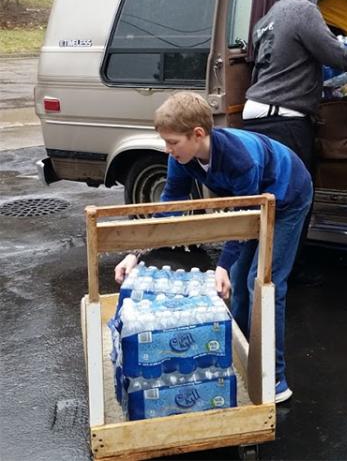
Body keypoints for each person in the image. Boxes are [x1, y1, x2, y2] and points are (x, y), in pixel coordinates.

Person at [114, 91, 312, 404]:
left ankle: (274, 376)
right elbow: (171, 204)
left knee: (262, 283)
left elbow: (242, 218)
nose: (167, 149)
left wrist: (222, 266)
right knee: (240, 284)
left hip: (287, 196)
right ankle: (240, 355)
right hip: (253, 203)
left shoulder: (239, 161)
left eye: (172, 142)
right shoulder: (181, 157)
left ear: (198, 134)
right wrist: (135, 253)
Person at [243, 0, 347, 173]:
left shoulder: (266, 19)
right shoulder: (302, 10)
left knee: (270, 186)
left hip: (254, 112)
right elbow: (332, 52)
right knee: (297, 188)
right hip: (283, 117)